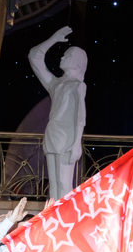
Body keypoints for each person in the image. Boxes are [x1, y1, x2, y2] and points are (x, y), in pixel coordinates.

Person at [28, 25, 88, 200]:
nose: (62, 56)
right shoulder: (55, 84)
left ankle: (65, 221)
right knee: (54, 186)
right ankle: (54, 219)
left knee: (64, 184)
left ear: (77, 62)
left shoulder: (78, 86)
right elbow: (34, 56)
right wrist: (54, 38)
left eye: (67, 55)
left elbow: (80, 117)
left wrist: (77, 143)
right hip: (53, 135)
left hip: (67, 139)